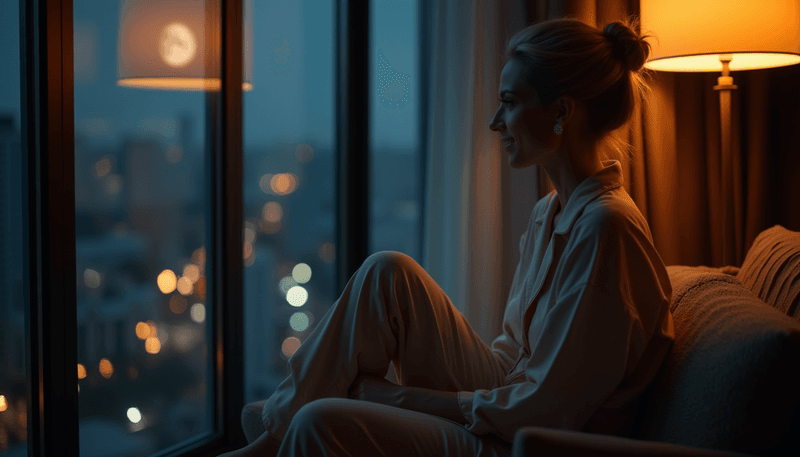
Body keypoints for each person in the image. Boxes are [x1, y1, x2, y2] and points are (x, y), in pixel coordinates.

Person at [220, 15, 674, 457]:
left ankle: (281, 437)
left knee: (320, 422)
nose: (495, 121)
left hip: (532, 441)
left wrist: (402, 398)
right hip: (506, 400)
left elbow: (548, 410)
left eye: (510, 102)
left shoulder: (605, 229)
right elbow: (512, 358)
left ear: (561, 111)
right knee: (387, 271)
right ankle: (274, 440)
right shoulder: (549, 213)